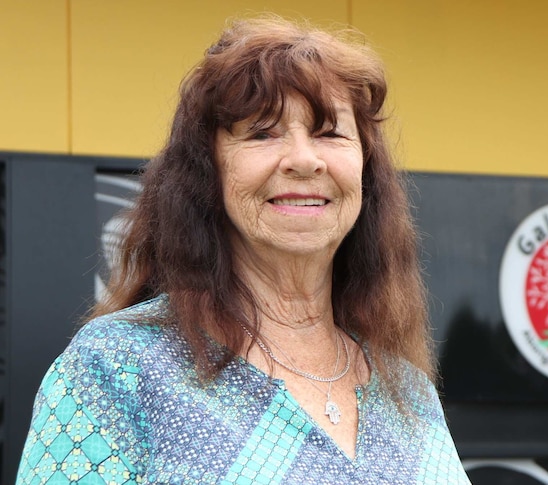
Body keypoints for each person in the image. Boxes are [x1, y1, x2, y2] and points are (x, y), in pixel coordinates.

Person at [17, 16, 471, 484]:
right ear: (208, 170)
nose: (303, 160)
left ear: (365, 170)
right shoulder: (117, 368)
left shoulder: (410, 392)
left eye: (329, 132)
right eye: (262, 133)